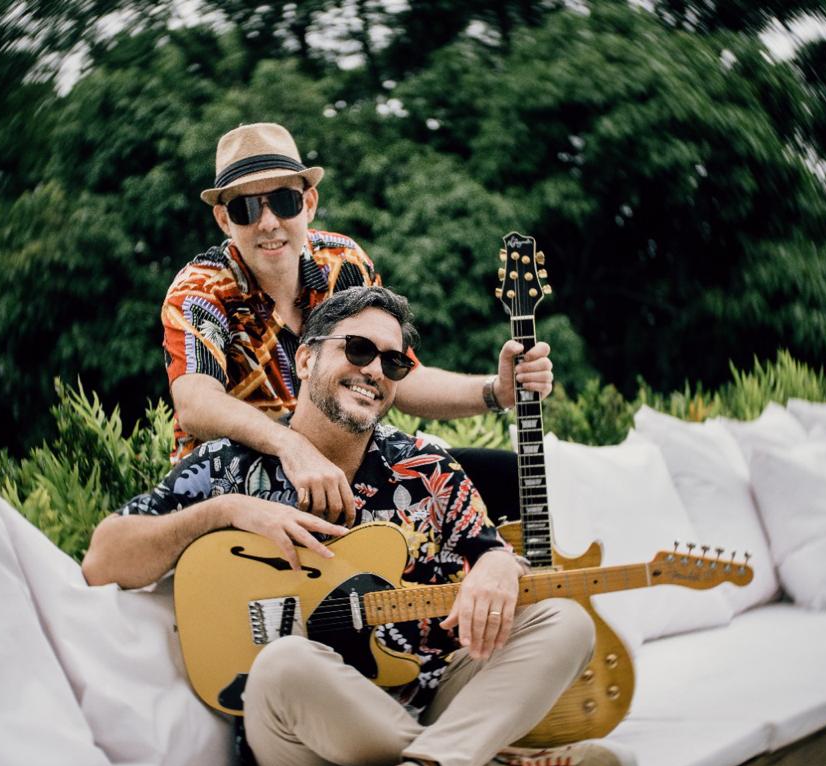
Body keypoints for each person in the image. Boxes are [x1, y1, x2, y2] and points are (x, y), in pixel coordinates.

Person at [83, 286, 595, 766]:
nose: (374, 370)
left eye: (392, 362)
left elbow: (489, 551)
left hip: (432, 703)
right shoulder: (228, 466)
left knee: (565, 622)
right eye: (357, 349)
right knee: (282, 664)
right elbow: (102, 560)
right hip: (304, 730)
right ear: (306, 360)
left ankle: (431, 761)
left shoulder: (427, 468)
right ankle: (462, 757)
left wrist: (499, 563)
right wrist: (225, 511)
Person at [161, 122, 553, 525]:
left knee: (510, 480)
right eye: (245, 209)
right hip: (239, 483)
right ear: (223, 219)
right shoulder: (200, 290)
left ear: (309, 203)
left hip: (348, 469)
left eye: (283, 201)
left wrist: (496, 391)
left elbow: (396, 375)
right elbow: (195, 403)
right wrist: (291, 447)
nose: (268, 222)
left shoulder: (343, 263)